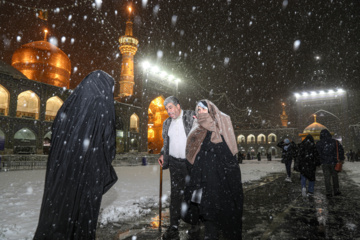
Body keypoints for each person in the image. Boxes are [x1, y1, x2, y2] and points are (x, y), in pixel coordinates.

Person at [34, 70, 118, 239]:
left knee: (61, 207)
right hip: (89, 168)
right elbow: (108, 138)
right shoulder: (103, 102)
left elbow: (55, 130)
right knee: (84, 212)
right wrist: (106, 157)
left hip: (63, 169)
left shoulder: (71, 102)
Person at [184, 100, 243, 239]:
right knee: (209, 217)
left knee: (221, 215)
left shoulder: (221, 125)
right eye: (197, 109)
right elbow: (191, 155)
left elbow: (229, 154)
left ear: (210, 110)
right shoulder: (197, 129)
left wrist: (213, 130)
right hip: (202, 181)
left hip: (220, 181)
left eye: (202, 109)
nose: (199, 112)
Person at [157, 96, 195, 239]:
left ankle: (194, 223)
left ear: (178, 106)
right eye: (167, 109)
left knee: (192, 193)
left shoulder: (191, 116)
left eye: (171, 107)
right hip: (174, 163)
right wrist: (162, 154)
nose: (169, 111)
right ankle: (173, 226)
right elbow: (165, 143)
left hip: (189, 162)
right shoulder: (167, 123)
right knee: (175, 195)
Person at [316, 129, 344, 198]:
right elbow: (341, 150)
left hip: (325, 163)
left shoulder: (319, 143)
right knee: (335, 177)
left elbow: (317, 153)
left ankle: (328, 192)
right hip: (334, 162)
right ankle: (336, 190)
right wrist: (341, 159)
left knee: (327, 178)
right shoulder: (335, 142)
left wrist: (319, 161)